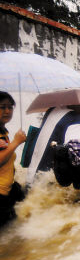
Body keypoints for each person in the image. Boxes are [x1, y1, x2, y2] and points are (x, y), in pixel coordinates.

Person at [26, 102, 80, 183]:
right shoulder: (76, 120)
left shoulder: (52, 110)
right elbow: (77, 157)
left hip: (31, 177)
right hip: (49, 184)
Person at [0, 92, 26, 226]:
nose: (7, 111)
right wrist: (16, 142)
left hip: (7, 191)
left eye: (10, 107)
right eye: (2, 107)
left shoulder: (4, 132)